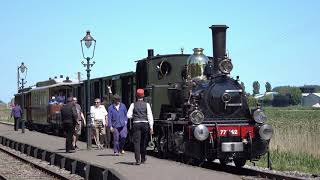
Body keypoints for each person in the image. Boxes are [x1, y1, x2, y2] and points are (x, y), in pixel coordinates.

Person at [127, 89, 154, 165]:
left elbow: (128, 115)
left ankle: (137, 160)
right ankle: (143, 158)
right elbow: (150, 116)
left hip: (136, 124)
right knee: (144, 142)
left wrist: (135, 116)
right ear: (143, 96)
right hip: (145, 124)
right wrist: (151, 127)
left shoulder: (133, 104)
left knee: (136, 142)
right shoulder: (147, 105)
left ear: (136, 96)